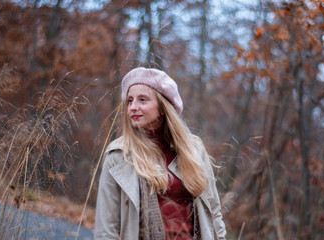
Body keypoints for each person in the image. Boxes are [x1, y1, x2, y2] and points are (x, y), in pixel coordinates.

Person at [94, 67, 226, 240]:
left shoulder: (193, 149)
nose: (133, 107)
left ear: (163, 107)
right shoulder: (118, 155)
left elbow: (214, 211)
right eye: (129, 101)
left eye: (142, 100)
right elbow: (106, 228)